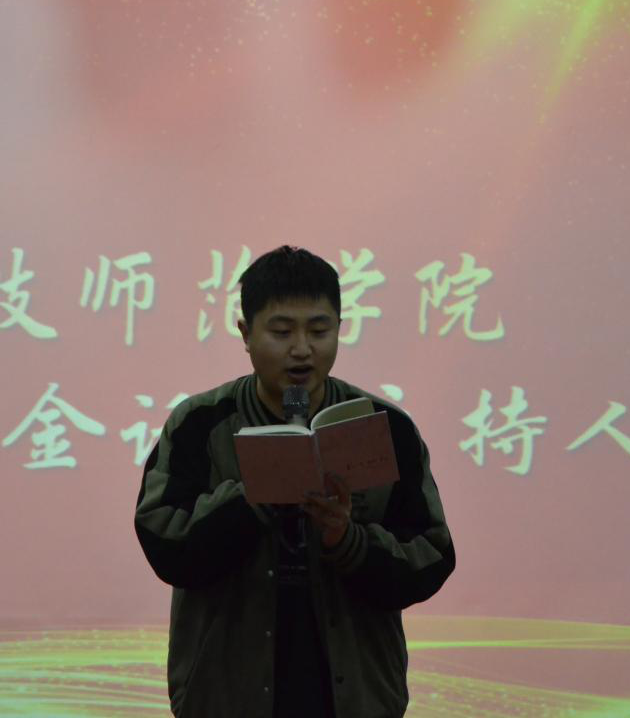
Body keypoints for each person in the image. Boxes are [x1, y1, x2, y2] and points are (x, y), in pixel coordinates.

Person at [135, 245, 455, 718]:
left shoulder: (383, 427)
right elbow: (164, 543)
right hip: (226, 692)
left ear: (340, 329)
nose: (302, 349)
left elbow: (431, 556)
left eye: (319, 331)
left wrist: (347, 539)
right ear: (245, 334)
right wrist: (253, 495)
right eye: (282, 332)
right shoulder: (199, 424)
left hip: (355, 695)